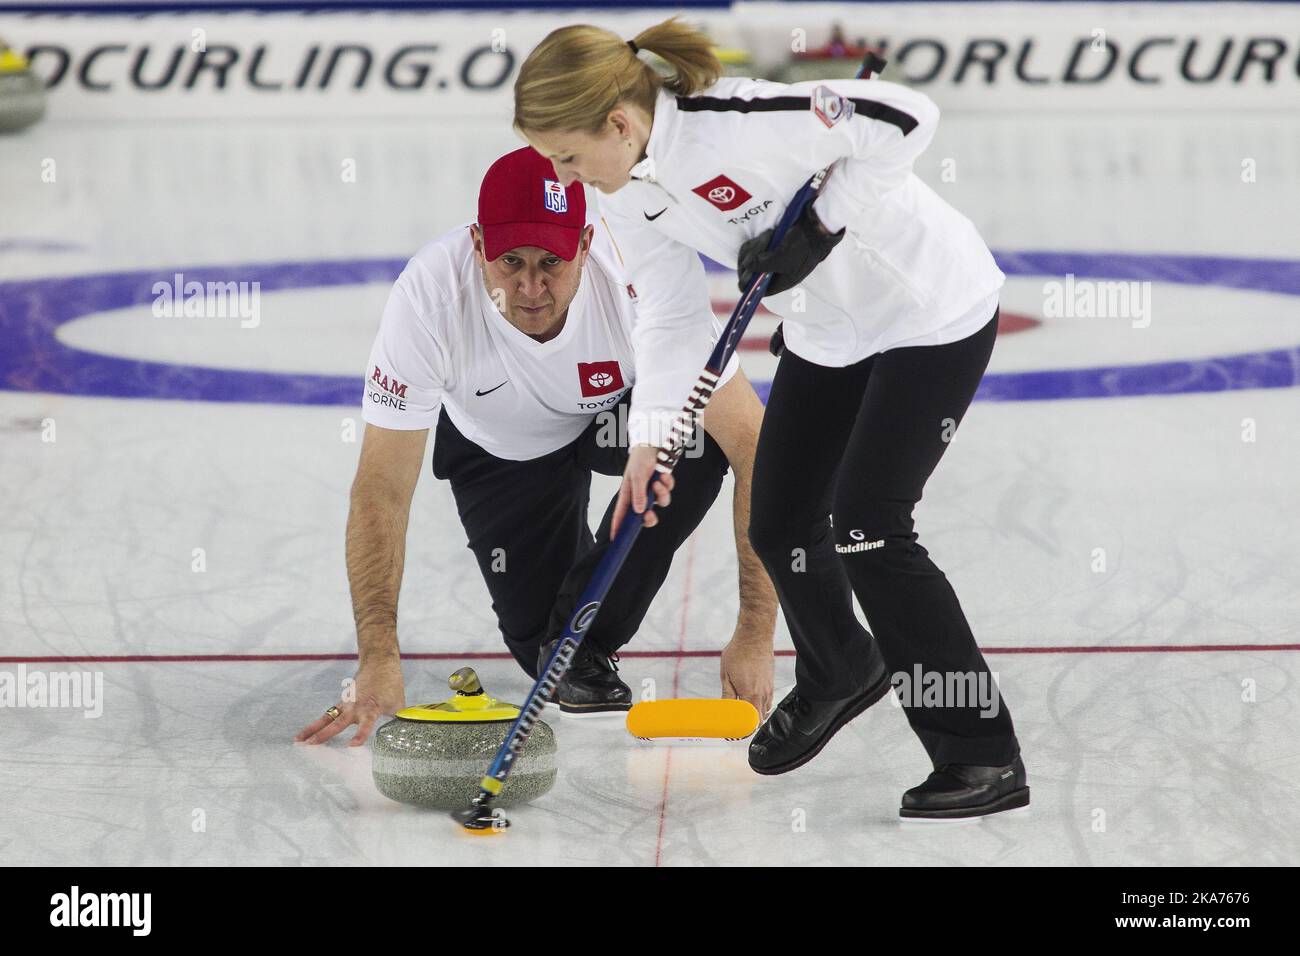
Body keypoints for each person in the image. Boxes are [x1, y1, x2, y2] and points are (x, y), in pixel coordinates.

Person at [514, 19, 1028, 820]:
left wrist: (823, 225)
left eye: (566, 155)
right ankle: (840, 667)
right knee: (782, 521)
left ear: (619, 123)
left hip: (926, 308)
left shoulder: (737, 119)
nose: (560, 173)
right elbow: (672, 320)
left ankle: (981, 754)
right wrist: (652, 440)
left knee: (870, 525)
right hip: (828, 329)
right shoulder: (617, 192)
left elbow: (904, 118)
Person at [296, 146, 777, 747]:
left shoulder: (639, 280)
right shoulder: (427, 299)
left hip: (618, 419)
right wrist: (377, 657)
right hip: (502, 451)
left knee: (698, 436)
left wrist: (756, 632)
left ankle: (586, 641)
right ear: (477, 246)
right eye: (509, 261)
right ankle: (566, 630)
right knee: (540, 656)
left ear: (584, 244)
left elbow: (757, 445)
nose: (530, 287)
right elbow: (381, 491)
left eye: (551, 260)